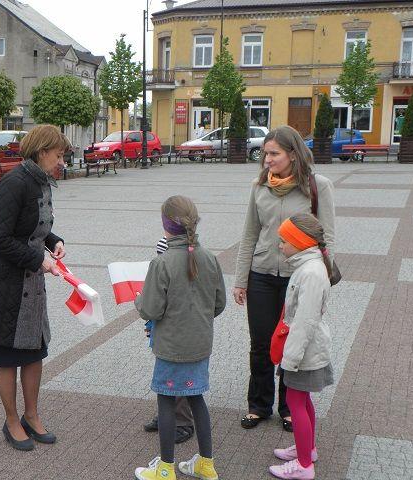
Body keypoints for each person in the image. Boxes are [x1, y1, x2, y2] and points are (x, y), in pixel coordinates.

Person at [0, 125, 68, 451]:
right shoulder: (14, 183)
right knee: (8, 357)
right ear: (42, 152)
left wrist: (54, 241)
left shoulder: (41, 181)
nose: (61, 160)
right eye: (58, 154)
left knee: (34, 353)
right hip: (6, 287)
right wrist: (37, 259)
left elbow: (35, 228)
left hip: (32, 285)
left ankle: (33, 416)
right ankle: (12, 421)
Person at [233, 125, 335, 432]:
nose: (267, 160)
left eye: (274, 153)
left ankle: (289, 407)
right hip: (262, 274)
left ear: (293, 154)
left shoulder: (318, 186)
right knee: (261, 344)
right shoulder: (259, 186)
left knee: (293, 341)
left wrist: (323, 282)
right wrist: (241, 279)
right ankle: (258, 405)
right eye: (265, 153)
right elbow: (250, 234)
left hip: (300, 277)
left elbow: (326, 236)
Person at [134, 196, 226, 480]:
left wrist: (139, 300)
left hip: (171, 346)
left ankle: (165, 469)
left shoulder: (161, 262)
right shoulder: (209, 257)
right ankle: (206, 464)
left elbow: (150, 309)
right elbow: (219, 304)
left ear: (165, 226)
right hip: (200, 344)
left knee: (166, 400)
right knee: (197, 398)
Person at [268, 214, 333, 480]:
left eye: (284, 241)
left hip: (304, 351)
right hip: (306, 348)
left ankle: (305, 466)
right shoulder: (309, 267)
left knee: (295, 401)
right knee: (302, 400)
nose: (280, 246)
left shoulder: (310, 272)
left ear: (299, 242)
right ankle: (308, 449)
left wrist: (290, 359)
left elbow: (304, 322)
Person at [143, 236, 195, 445]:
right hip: (166, 336)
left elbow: (156, 306)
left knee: (180, 378)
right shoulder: (167, 270)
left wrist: (143, 303)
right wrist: (150, 324)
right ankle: (167, 416)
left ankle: (183, 422)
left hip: (179, 337)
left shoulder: (184, 277)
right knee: (165, 376)